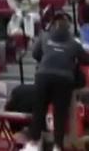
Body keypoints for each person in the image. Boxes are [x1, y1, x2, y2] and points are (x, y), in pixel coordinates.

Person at [23, 12, 89, 151]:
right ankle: (57, 146)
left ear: (52, 25)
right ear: (69, 27)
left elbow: (35, 54)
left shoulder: (44, 36)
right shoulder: (73, 42)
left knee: (39, 110)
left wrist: (48, 58)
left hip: (43, 76)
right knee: (59, 115)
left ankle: (33, 144)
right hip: (64, 79)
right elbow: (85, 59)